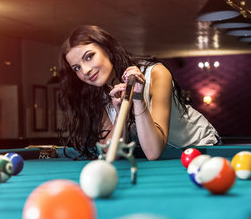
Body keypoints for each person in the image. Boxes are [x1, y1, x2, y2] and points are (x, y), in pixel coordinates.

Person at [57, 25, 220, 160]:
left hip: (199, 146)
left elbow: (153, 152)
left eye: (89, 56)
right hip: (159, 156)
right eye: (76, 68)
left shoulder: (156, 73)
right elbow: (111, 152)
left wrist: (137, 99)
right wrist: (121, 111)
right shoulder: (98, 94)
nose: (85, 70)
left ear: (107, 49)